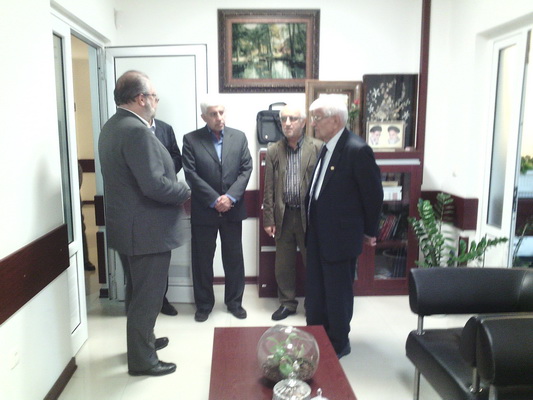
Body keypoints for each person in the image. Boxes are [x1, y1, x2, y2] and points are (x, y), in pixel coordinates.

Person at [98, 70, 190, 376]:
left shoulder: (112, 126)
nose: (156, 102)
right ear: (141, 98)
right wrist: (185, 191)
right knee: (147, 299)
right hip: (147, 233)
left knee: (137, 294)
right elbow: (155, 186)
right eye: (154, 97)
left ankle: (142, 343)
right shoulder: (136, 131)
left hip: (129, 230)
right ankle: (143, 361)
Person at [305, 95, 383, 359]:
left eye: (317, 118)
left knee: (337, 294)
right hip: (318, 234)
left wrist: (369, 231)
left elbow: (373, 195)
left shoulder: (356, 150)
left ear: (336, 120)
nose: (313, 123)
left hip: (339, 237)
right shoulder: (327, 147)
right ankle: (317, 336)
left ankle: (338, 343)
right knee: (316, 291)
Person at [182, 97, 253, 323]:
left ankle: (234, 303)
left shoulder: (239, 137)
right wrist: (214, 200)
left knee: (234, 259)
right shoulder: (191, 140)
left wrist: (230, 197)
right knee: (202, 260)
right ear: (204, 117)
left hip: (233, 209)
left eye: (221, 112)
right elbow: (190, 174)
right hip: (205, 210)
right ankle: (204, 305)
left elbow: (246, 168)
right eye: (213, 114)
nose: (219, 117)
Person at [263, 104, 322, 321]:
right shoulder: (273, 150)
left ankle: (314, 304)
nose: (287, 123)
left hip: (309, 217)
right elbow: (269, 188)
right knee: (283, 265)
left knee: (313, 263)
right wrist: (268, 219)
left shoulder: (318, 148)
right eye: (284, 119)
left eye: (293, 119)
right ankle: (287, 303)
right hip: (284, 215)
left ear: (303, 122)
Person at [150, 118, 182, 316]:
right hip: (140, 202)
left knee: (163, 253)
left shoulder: (165, 129)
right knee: (142, 258)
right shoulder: (131, 129)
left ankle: (162, 299)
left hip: (163, 200)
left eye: (156, 101)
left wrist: (164, 171)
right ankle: (143, 303)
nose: (154, 103)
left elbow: (177, 157)